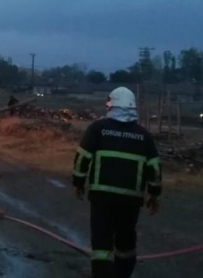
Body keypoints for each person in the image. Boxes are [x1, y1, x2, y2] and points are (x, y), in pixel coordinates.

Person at [72, 87, 162, 278]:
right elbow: (154, 169)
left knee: (101, 244)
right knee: (126, 242)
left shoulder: (98, 129)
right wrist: (154, 194)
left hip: (101, 198)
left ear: (110, 105)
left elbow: (82, 159)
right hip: (130, 201)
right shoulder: (144, 135)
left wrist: (78, 183)